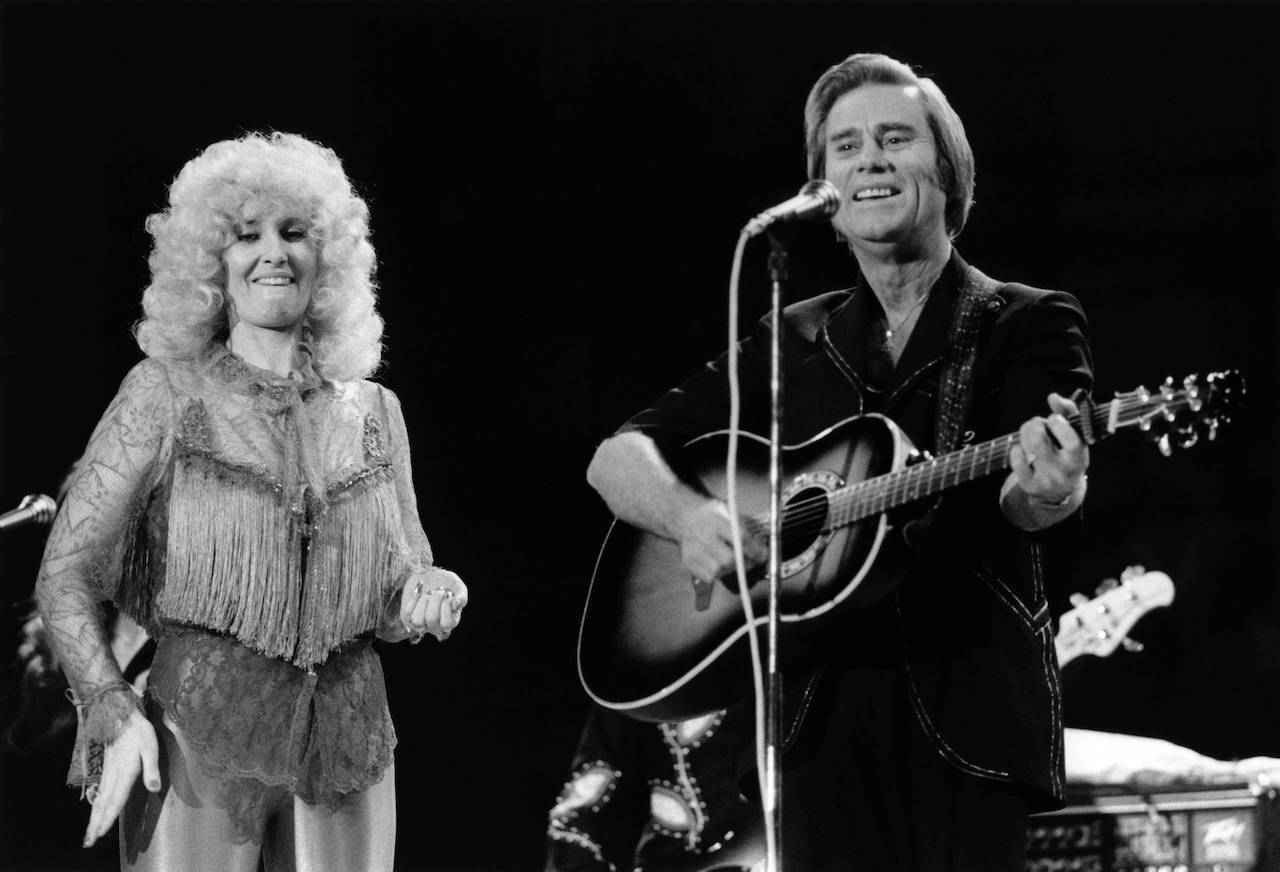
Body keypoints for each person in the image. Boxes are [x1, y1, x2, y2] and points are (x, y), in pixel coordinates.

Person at [584, 52, 1092, 871]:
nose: (872, 160)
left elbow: (1031, 501)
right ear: (824, 190)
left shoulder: (1024, 321)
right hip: (813, 727)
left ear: (948, 170)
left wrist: (1052, 488)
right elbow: (615, 458)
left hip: (964, 718)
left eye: (896, 138)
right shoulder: (794, 336)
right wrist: (691, 517)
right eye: (846, 148)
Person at [33, 131, 467, 872]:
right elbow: (63, 576)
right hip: (203, 733)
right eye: (247, 235)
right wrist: (111, 708)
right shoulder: (164, 393)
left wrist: (434, 592)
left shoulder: (375, 411)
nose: (274, 253)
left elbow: (399, 592)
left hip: (348, 743)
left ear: (325, 259)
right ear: (211, 262)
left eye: (294, 233)